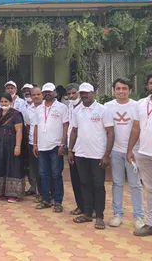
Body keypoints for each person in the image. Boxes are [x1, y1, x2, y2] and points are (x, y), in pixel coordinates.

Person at [69, 83, 114, 230]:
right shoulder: (77, 111)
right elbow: (74, 131)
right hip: (81, 153)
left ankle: (99, 216)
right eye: (82, 93)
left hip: (98, 155)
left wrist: (106, 154)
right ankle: (88, 213)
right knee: (85, 184)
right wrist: (70, 150)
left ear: (93, 93)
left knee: (98, 185)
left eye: (87, 93)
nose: (84, 95)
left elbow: (111, 132)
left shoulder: (103, 110)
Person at [129, 71, 152, 243]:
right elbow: (136, 128)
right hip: (145, 153)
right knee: (151, 190)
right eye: (151, 83)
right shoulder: (141, 103)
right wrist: (130, 149)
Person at [103, 78, 144, 229]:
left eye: (124, 88)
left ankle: (139, 216)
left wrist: (132, 149)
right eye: (118, 88)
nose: (121, 91)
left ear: (130, 90)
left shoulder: (137, 106)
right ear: (114, 90)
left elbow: (139, 128)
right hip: (115, 151)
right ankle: (117, 214)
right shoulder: (107, 106)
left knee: (135, 184)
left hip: (133, 152)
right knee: (117, 183)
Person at [33, 83, 69, 213]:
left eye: (50, 91)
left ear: (55, 93)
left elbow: (66, 126)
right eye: (45, 92)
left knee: (56, 174)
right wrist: (35, 144)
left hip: (55, 146)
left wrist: (63, 144)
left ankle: (58, 201)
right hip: (42, 146)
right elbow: (36, 126)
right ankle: (46, 200)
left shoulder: (62, 107)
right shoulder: (38, 108)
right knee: (43, 174)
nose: (47, 94)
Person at [0, 93, 24, 202]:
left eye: (6, 102)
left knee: (12, 166)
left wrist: (17, 146)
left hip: (11, 144)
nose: (4, 104)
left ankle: (12, 194)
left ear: (11, 102)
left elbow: (19, 131)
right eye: (2, 102)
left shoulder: (16, 114)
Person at [66, 83, 84, 216]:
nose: (72, 96)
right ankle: (80, 206)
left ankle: (91, 207)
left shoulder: (85, 107)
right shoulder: (69, 107)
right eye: (69, 94)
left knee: (86, 180)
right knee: (76, 180)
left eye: (74, 93)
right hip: (72, 149)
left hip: (85, 149)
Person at [25, 87, 43, 199]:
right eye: (33, 95)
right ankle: (38, 191)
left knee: (45, 170)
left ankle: (48, 193)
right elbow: (28, 126)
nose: (35, 97)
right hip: (32, 142)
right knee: (35, 168)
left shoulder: (47, 107)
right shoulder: (28, 109)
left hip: (46, 143)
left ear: (42, 95)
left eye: (38, 94)